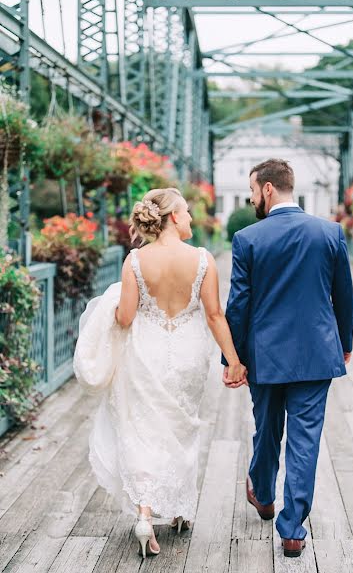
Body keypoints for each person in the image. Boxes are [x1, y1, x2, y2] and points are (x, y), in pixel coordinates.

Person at [73, 187, 247, 559]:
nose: (189, 219)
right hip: (187, 354)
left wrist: (114, 298)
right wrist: (233, 360)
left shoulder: (136, 261)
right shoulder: (202, 260)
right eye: (185, 213)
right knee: (182, 428)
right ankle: (181, 509)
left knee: (143, 431)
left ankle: (145, 515)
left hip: (145, 354)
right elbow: (215, 316)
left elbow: (124, 317)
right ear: (172, 217)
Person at [222, 159, 353, 558]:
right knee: (305, 439)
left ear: (266, 189)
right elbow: (344, 296)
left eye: (251, 191)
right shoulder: (329, 233)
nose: (249, 199)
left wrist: (233, 357)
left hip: (264, 356)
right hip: (317, 353)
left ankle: (263, 495)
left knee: (266, 429)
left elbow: (238, 305)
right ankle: (293, 530)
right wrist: (344, 341)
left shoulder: (248, 239)